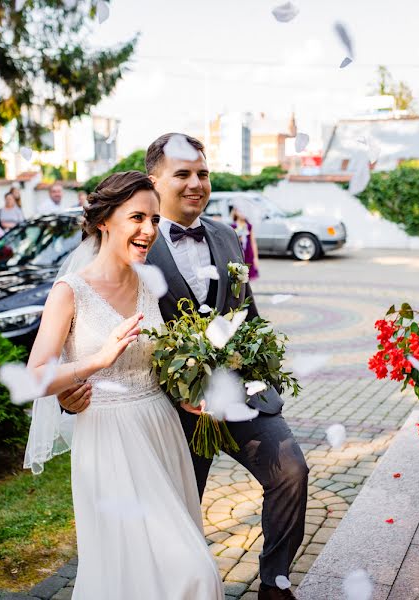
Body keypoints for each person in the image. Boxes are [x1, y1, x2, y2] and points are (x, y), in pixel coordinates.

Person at [24, 171, 223, 599]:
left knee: (160, 575)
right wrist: (96, 360)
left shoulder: (149, 282)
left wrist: (185, 392)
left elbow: (157, 359)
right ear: (104, 222)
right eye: (137, 218)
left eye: (153, 219)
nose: (149, 230)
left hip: (160, 431)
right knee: (187, 574)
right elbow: (35, 376)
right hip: (109, 442)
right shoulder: (70, 291)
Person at [146, 133, 306, 600]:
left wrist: (260, 378)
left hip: (240, 393)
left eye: (202, 173)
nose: (196, 183)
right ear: (154, 180)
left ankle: (275, 583)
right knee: (179, 510)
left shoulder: (226, 235)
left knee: (291, 471)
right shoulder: (135, 242)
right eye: (183, 174)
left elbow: (245, 314)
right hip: (171, 411)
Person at [229, 204, 260, 281]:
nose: (243, 213)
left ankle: (247, 291)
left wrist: (255, 258)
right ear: (236, 212)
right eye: (241, 211)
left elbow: (253, 242)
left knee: (248, 276)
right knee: (238, 276)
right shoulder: (233, 226)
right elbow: (231, 243)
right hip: (238, 254)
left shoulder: (249, 226)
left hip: (248, 254)